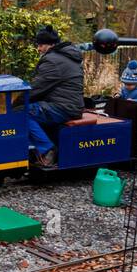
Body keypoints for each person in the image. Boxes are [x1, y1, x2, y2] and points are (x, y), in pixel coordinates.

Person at [27, 26, 84, 168]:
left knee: (20, 113)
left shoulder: (53, 61)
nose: (38, 49)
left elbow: (36, 89)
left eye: (41, 45)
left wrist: (14, 102)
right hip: (68, 105)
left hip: (63, 107)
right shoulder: (65, 57)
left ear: (51, 45)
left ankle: (47, 150)